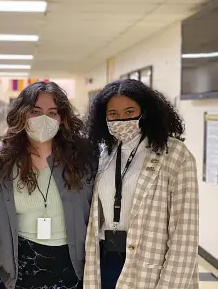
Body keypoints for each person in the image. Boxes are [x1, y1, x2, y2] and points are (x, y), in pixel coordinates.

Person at [83, 79, 199, 289]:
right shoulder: (105, 154)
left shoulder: (174, 155)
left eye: (129, 112)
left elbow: (185, 234)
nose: (121, 120)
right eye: (113, 114)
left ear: (144, 113)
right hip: (105, 261)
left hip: (149, 265)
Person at [0, 81, 98, 289]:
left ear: (62, 118)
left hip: (72, 263)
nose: (44, 119)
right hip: (20, 265)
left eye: (52, 112)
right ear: (22, 114)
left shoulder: (82, 158)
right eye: (35, 111)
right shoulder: (1, 160)